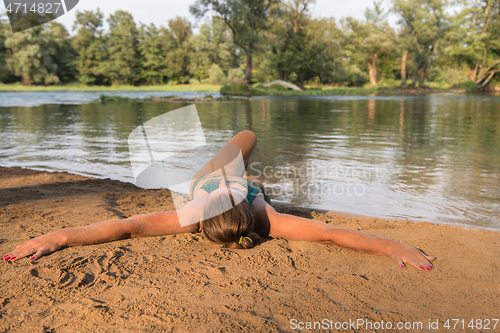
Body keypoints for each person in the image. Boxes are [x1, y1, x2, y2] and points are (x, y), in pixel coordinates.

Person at [3, 130, 435, 271]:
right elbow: (328, 235)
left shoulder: (191, 213)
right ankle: (238, 159)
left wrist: (59, 235)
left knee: (245, 139)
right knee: (246, 138)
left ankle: (235, 159)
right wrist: (390, 246)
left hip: (208, 178)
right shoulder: (266, 217)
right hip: (218, 179)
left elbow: (128, 225)